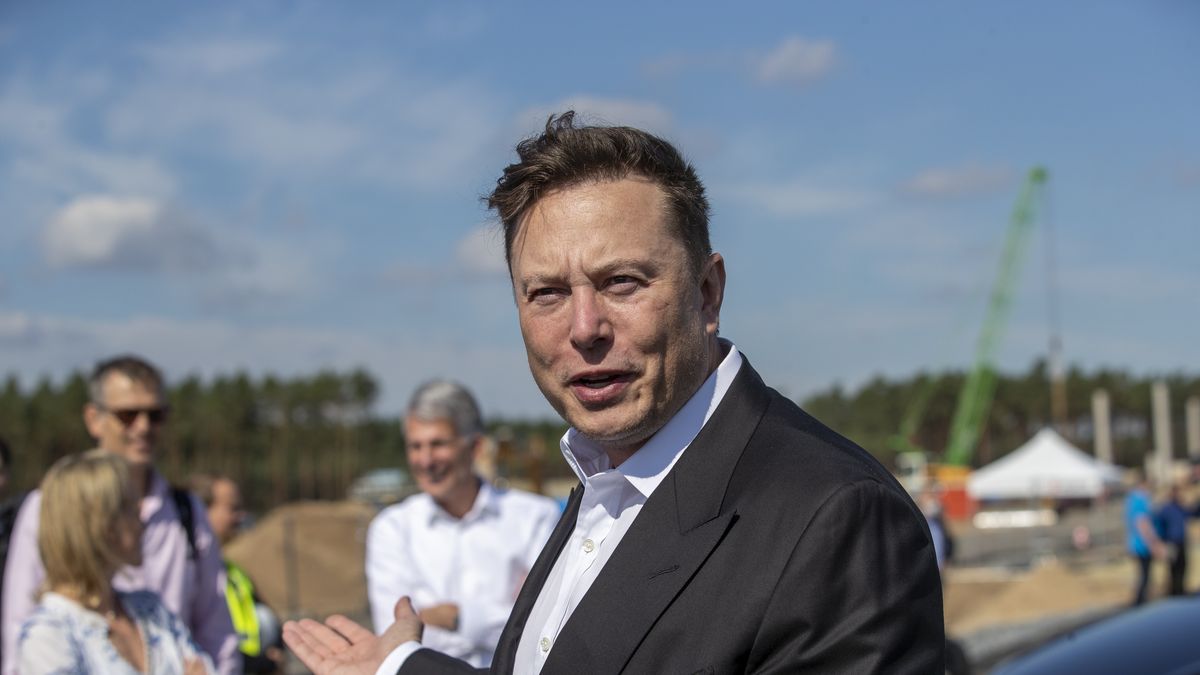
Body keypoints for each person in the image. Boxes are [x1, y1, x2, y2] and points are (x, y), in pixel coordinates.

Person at [283, 112, 944, 674]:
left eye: (623, 281)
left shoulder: (837, 519)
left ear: (707, 292)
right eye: (546, 293)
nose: (584, 328)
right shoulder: (605, 481)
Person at [2, 356, 240, 675]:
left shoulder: (187, 513)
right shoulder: (45, 507)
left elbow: (215, 630)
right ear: (93, 419)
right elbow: (19, 631)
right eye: (128, 415)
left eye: (156, 415)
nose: (143, 427)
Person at [365, 380, 560, 667]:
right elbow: (396, 640)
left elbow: (550, 631)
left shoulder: (536, 517)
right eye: (415, 446)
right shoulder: (391, 529)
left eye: (438, 444)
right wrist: (506, 618)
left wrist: (452, 617)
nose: (426, 460)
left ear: (475, 447)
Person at [18, 450, 214, 674]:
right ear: (101, 526)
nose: (142, 521)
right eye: (131, 508)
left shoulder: (151, 611)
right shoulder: (49, 635)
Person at [190, 473, 285, 673]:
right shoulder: (187, 575)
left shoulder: (234, 571)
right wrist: (257, 663)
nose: (240, 517)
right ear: (200, 510)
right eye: (232, 508)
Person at [1125, 474, 1166, 605]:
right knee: (1145, 576)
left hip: (1138, 544)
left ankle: (1140, 601)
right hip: (1142, 545)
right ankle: (1139, 604)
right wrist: (1154, 544)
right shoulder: (1140, 500)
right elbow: (1142, 524)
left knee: (1144, 575)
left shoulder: (1131, 499)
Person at [1156, 483, 1190, 596]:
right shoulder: (1166, 509)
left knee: (1183, 566)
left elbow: (1192, 514)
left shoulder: (1180, 507)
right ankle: (1173, 592)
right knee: (1173, 567)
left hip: (1181, 541)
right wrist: (1162, 541)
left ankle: (1180, 590)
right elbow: (1159, 525)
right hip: (1171, 542)